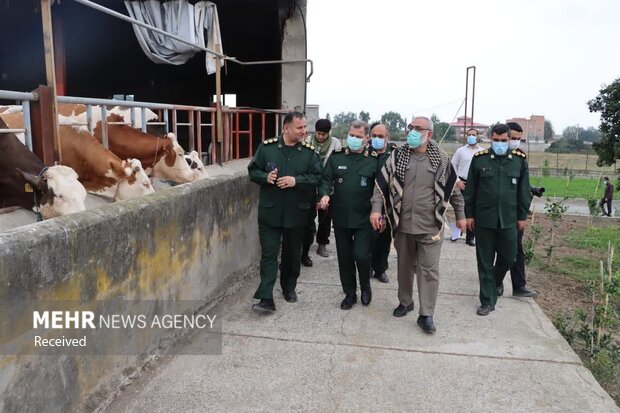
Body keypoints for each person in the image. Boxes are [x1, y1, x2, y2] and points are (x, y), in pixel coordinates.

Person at [371, 116, 466, 334]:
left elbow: (454, 191)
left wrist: (460, 215)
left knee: (429, 270)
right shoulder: (396, 157)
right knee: (404, 267)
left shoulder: (441, 159)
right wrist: (376, 209)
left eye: (418, 128)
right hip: (403, 225)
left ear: (429, 134)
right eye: (410, 128)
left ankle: (426, 315)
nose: (412, 131)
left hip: (430, 226)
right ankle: (405, 302)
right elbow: (380, 187)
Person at [248, 111, 323, 313]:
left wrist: (295, 181)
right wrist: (266, 177)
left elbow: (318, 178)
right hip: (270, 213)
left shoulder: (309, 152)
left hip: (296, 214)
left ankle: (289, 288)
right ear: (286, 128)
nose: (304, 131)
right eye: (300, 127)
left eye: (305, 127)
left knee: (291, 255)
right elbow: (252, 171)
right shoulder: (267, 148)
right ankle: (266, 298)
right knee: (269, 255)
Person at [463, 123, 532, 316]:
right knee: (484, 261)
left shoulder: (519, 161)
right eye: (496, 140)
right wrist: (468, 215)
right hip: (484, 219)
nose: (500, 143)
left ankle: (494, 280)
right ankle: (487, 300)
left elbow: (523, 191)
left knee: (509, 256)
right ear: (490, 139)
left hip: (509, 219)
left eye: (503, 141)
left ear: (509, 140)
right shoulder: (479, 159)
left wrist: (522, 216)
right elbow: (470, 191)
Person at [318, 120, 378, 310]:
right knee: (344, 258)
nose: (353, 139)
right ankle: (350, 293)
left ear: (366, 139)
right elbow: (326, 179)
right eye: (351, 135)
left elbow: (380, 189)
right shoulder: (336, 157)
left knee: (361, 255)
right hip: (342, 216)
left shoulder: (373, 160)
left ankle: (365, 286)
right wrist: (325, 194)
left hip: (364, 218)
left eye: (358, 137)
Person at [500, 122, 540, 298]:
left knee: (516, 249)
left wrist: (531, 190)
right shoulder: (488, 157)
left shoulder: (520, 157)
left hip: (514, 213)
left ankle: (519, 286)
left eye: (518, 139)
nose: (515, 142)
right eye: (513, 138)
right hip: (496, 212)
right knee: (498, 249)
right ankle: (496, 282)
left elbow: (521, 184)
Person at [300, 118, 342, 265]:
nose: (321, 137)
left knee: (325, 217)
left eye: (324, 134)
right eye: (319, 134)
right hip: (310, 186)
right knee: (308, 217)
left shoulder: (335, 143)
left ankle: (322, 243)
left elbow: (337, 162)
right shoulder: (308, 141)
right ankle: (307, 243)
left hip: (328, 185)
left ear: (328, 133)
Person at [368, 122, 397, 283]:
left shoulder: (393, 155)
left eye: (380, 136)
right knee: (368, 239)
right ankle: (367, 267)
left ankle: (380, 269)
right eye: (374, 136)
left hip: (386, 205)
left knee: (383, 239)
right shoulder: (364, 153)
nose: (377, 139)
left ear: (387, 138)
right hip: (366, 203)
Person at [450, 128, 484, 246]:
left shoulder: (482, 152)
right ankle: (457, 232)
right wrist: (457, 181)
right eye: (469, 134)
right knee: (460, 208)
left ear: (477, 137)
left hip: (476, 184)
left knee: (473, 210)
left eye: (473, 135)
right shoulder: (460, 151)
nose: (471, 136)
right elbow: (452, 167)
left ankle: (470, 237)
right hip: (462, 183)